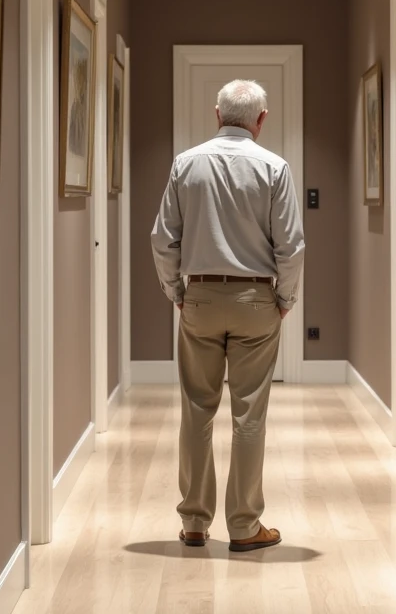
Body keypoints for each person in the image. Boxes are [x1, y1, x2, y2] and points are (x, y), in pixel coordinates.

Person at [150, 79, 306, 553]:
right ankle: (244, 525)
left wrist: (176, 291)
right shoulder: (275, 168)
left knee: (196, 410)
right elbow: (291, 247)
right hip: (257, 302)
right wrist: (285, 300)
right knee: (249, 413)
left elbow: (163, 240)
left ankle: (194, 521)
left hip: (198, 298)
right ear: (261, 120)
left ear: (217, 114)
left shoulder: (185, 163)